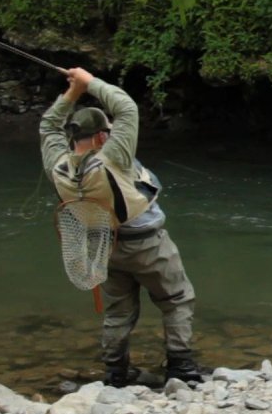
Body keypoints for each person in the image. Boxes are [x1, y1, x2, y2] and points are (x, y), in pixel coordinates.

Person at [39, 67, 204, 387]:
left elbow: (48, 125)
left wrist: (71, 95)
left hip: (105, 247)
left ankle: (115, 373)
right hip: (148, 244)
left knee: (117, 312)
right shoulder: (114, 156)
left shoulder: (57, 164)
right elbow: (127, 107)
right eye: (109, 130)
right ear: (102, 136)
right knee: (177, 299)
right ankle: (181, 368)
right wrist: (89, 83)